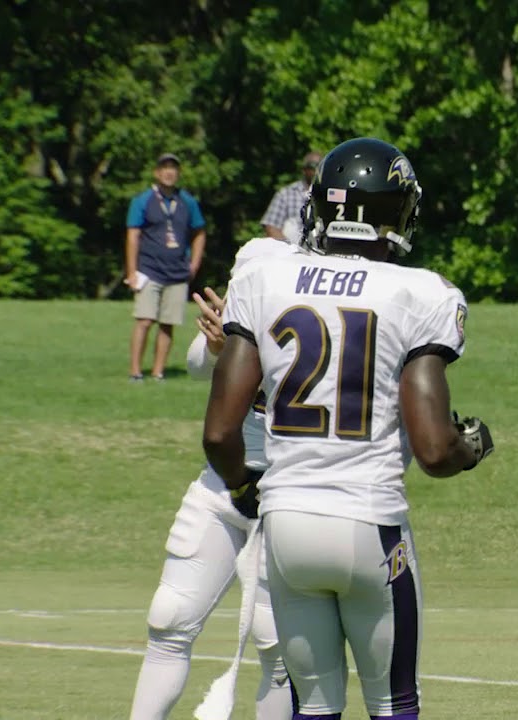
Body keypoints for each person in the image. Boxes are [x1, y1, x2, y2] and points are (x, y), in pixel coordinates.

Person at [202, 137, 494, 719]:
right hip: (368, 520)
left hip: (287, 522)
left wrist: (241, 486)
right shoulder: (421, 292)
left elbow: (218, 434)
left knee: (313, 706)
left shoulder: (265, 279)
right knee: (394, 705)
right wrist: (472, 446)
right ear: (395, 211)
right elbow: (435, 451)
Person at [128, 235, 300, 720]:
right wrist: (220, 346)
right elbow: (196, 364)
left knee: (276, 644)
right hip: (223, 483)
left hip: (284, 492)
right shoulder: (237, 320)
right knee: (170, 616)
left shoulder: (309, 322)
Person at [125, 152, 207, 381]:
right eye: (164, 168)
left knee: (168, 323)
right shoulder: (143, 200)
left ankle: (158, 372)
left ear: (178, 173)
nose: (169, 172)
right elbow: (132, 236)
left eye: (173, 168)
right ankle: (135, 371)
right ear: (156, 172)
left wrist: (194, 264)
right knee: (144, 320)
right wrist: (131, 271)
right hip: (149, 269)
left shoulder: (187, 201)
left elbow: (199, 232)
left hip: (178, 271)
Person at [261, 151, 323, 241]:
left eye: (320, 167)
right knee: (291, 226)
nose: (316, 171)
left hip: (321, 247)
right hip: (291, 246)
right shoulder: (286, 194)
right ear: (304, 170)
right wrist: (289, 247)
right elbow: (271, 227)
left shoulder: (329, 194)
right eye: (312, 167)